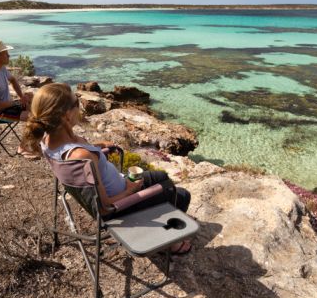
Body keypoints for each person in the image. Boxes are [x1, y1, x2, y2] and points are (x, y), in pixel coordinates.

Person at [23, 82, 192, 254]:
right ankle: (169, 243)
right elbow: (105, 207)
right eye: (77, 103)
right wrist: (130, 189)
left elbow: (76, 152)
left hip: (116, 188)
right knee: (182, 195)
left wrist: (98, 147)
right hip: (120, 205)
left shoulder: (46, 140)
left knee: (160, 176)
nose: (79, 107)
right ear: (66, 116)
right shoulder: (81, 156)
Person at [0, 39, 38, 158]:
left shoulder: (0, 68)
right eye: (5, 53)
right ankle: (23, 147)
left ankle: (35, 137)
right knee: (35, 118)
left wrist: (22, 97)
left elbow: (13, 80)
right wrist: (18, 102)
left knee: (32, 98)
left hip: (7, 107)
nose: (8, 55)